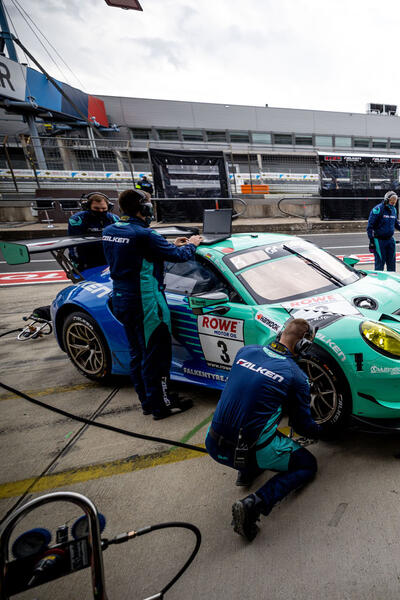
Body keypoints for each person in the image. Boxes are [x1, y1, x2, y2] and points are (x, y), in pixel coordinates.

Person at [205, 318, 321, 542]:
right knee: (307, 465)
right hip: (249, 451)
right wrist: (325, 430)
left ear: (280, 334)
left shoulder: (246, 351)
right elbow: (302, 426)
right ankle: (254, 504)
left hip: (212, 442)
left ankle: (246, 471)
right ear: (302, 346)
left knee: (254, 412)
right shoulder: (296, 376)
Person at [102, 189, 202, 420]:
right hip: (147, 301)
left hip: (121, 297)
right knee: (156, 356)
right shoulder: (145, 235)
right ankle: (162, 405)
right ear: (143, 208)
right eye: (148, 205)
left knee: (138, 353)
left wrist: (166, 245)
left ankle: (148, 402)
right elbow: (180, 257)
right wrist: (193, 243)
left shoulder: (110, 230)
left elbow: (140, 253)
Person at [67, 192, 118, 271]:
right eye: (96, 208)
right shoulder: (77, 219)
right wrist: (76, 261)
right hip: (85, 260)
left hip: (108, 258)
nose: (101, 211)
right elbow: (73, 243)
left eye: (104, 208)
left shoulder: (114, 219)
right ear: (88, 207)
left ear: (109, 207)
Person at [367, 191, 400, 271]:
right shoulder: (377, 209)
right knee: (379, 265)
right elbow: (370, 226)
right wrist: (371, 241)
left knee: (392, 264)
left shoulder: (394, 210)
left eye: (394, 202)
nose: (393, 204)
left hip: (390, 240)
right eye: (391, 202)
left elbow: (396, 223)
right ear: (386, 200)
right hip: (379, 241)